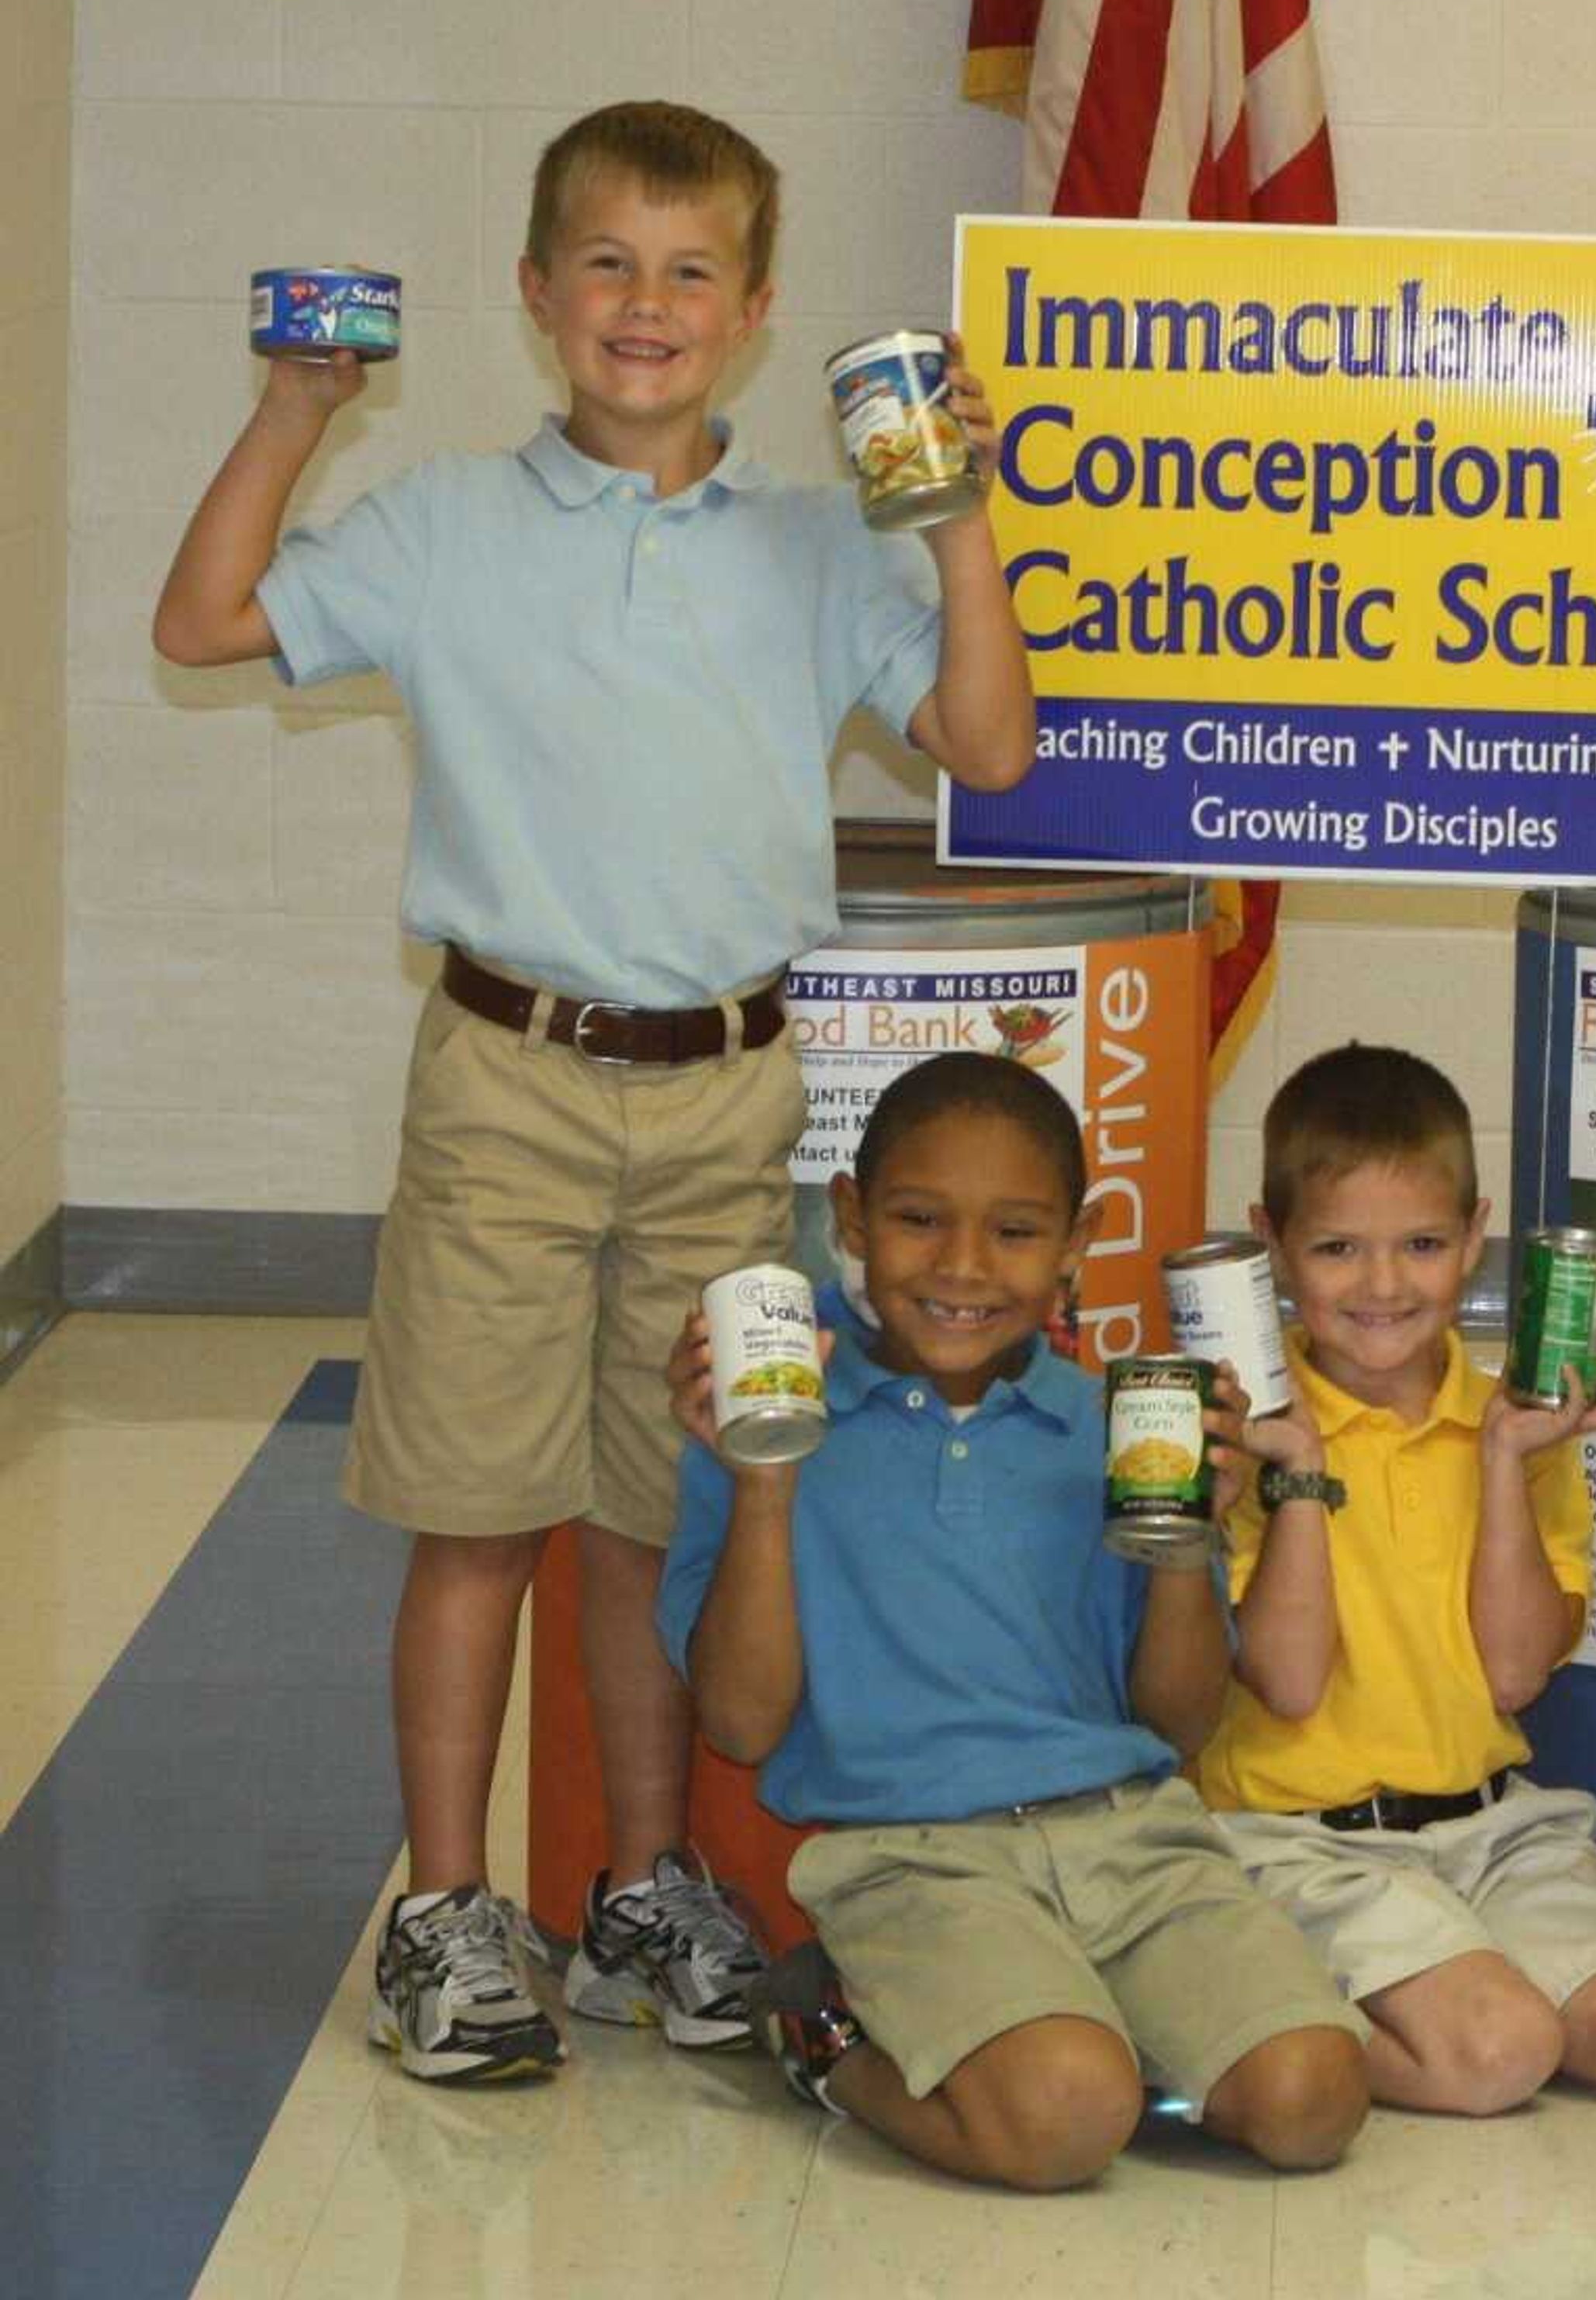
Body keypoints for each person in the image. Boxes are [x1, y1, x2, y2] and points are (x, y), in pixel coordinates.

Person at [149, 100, 1039, 2084]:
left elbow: (989, 729)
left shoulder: (823, 539)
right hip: (509, 1082)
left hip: (726, 1095)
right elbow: (203, 621)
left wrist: (959, 505)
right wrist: (299, 408)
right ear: (541, 294)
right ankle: (448, 1912)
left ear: (755, 307)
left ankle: (641, 1891)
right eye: (609, 265)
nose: (649, 305)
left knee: (655, 1515)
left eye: (692, 269)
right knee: (473, 1518)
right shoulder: (448, 522)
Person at [658, 1052, 1371, 2184]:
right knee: (1064, 2118)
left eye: (1017, 1232)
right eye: (918, 1219)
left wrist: (1192, 1533)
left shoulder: (1112, 1421)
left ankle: (1078, 2026)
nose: (963, 1267)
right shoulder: (771, 1426)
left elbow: (1179, 1725)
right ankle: (827, 2032)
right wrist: (765, 1481)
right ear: (850, 1214)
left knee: (1313, 2100)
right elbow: (741, 1725)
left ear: (1079, 1244)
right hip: (914, 1858)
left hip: (1135, 1839)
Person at [1190, 1044, 1596, 2115]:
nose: (1383, 1285)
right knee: (1500, 2053)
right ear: (1272, 1244)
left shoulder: (1512, 1421)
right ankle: (1215, 2031)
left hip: (1493, 1830)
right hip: (1296, 1842)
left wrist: (1506, 1463)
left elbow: (1514, 1676)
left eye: (1421, 1244)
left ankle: (1434, 1984)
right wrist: (1302, 1475)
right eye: (1338, 1249)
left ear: (1476, 1237)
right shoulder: (1242, 1433)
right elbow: (1284, 1683)